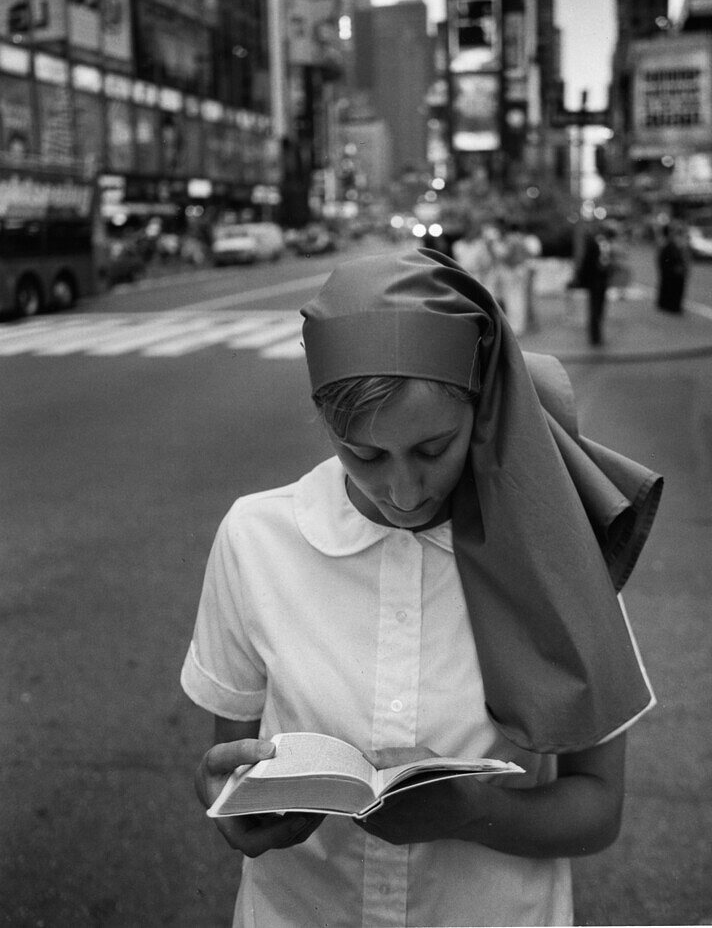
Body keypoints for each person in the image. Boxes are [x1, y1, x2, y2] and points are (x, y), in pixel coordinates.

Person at [181, 247, 662, 928]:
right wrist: (232, 799)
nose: (403, 491)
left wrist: (478, 812)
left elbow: (597, 808)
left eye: (433, 449)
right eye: (364, 455)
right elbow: (230, 761)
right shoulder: (256, 538)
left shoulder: (558, 546)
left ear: (482, 409)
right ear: (325, 422)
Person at [574, 222, 615, 346]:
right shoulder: (593, 243)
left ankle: (597, 334)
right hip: (595, 280)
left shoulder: (605, 245)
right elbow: (587, 262)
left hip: (602, 279)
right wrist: (582, 279)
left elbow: (607, 260)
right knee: (595, 308)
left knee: (600, 308)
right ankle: (595, 337)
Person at [656, 221, 690, 314]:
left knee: (672, 289)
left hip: (674, 270)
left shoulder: (675, 243)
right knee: (670, 288)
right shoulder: (669, 244)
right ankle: (671, 306)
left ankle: (671, 305)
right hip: (672, 270)